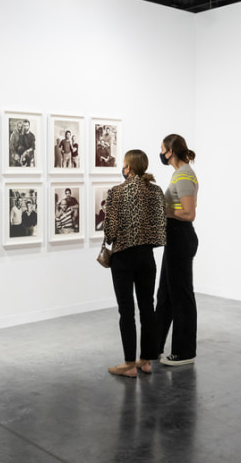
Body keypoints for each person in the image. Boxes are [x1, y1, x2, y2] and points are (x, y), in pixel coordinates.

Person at [103, 149, 166, 378]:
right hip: (146, 257)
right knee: (147, 308)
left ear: (128, 167)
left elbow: (110, 232)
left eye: (124, 165)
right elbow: (160, 226)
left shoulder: (117, 192)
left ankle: (129, 364)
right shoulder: (156, 191)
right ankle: (146, 361)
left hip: (123, 257)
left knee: (126, 311)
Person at [155, 134, 199, 367]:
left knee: (181, 296)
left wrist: (165, 212)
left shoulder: (183, 174)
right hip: (174, 237)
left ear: (170, 151)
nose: (160, 153)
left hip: (181, 236)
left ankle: (184, 352)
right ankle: (155, 347)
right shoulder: (178, 173)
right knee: (165, 295)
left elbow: (189, 213)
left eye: (162, 149)